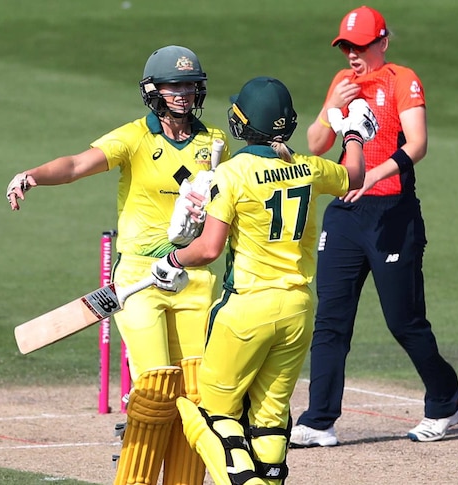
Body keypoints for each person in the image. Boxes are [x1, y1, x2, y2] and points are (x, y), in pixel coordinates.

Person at [5, 45, 230, 485]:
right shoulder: (133, 137)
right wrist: (31, 176)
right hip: (140, 278)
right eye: (173, 86)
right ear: (153, 91)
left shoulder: (215, 141)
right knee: (157, 386)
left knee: (196, 392)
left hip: (194, 276)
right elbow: (74, 166)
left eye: (189, 85)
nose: (183, 94)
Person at [148, 76, 376, 485]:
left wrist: (172, 259)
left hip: (246, 310)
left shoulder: (232, 174)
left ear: (241, 122)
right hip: (298, 310)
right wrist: (355, 133)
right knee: (270, 421)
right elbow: (354, 175)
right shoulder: (307, 167)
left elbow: (209, 249)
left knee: (211, 415)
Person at [289, 5, 458, 447]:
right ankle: (318, 420)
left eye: (361, 46)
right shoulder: (341, 83)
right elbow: (315, 143)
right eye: (346, 46)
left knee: (404, 321)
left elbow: (418, 144)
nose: (352, 54)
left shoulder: (402, 80)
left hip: (392, 214)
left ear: (382, 43)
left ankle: (445, 401)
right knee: (330, 320)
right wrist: (332, 106)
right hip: (345, 215)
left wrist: (371, 177)